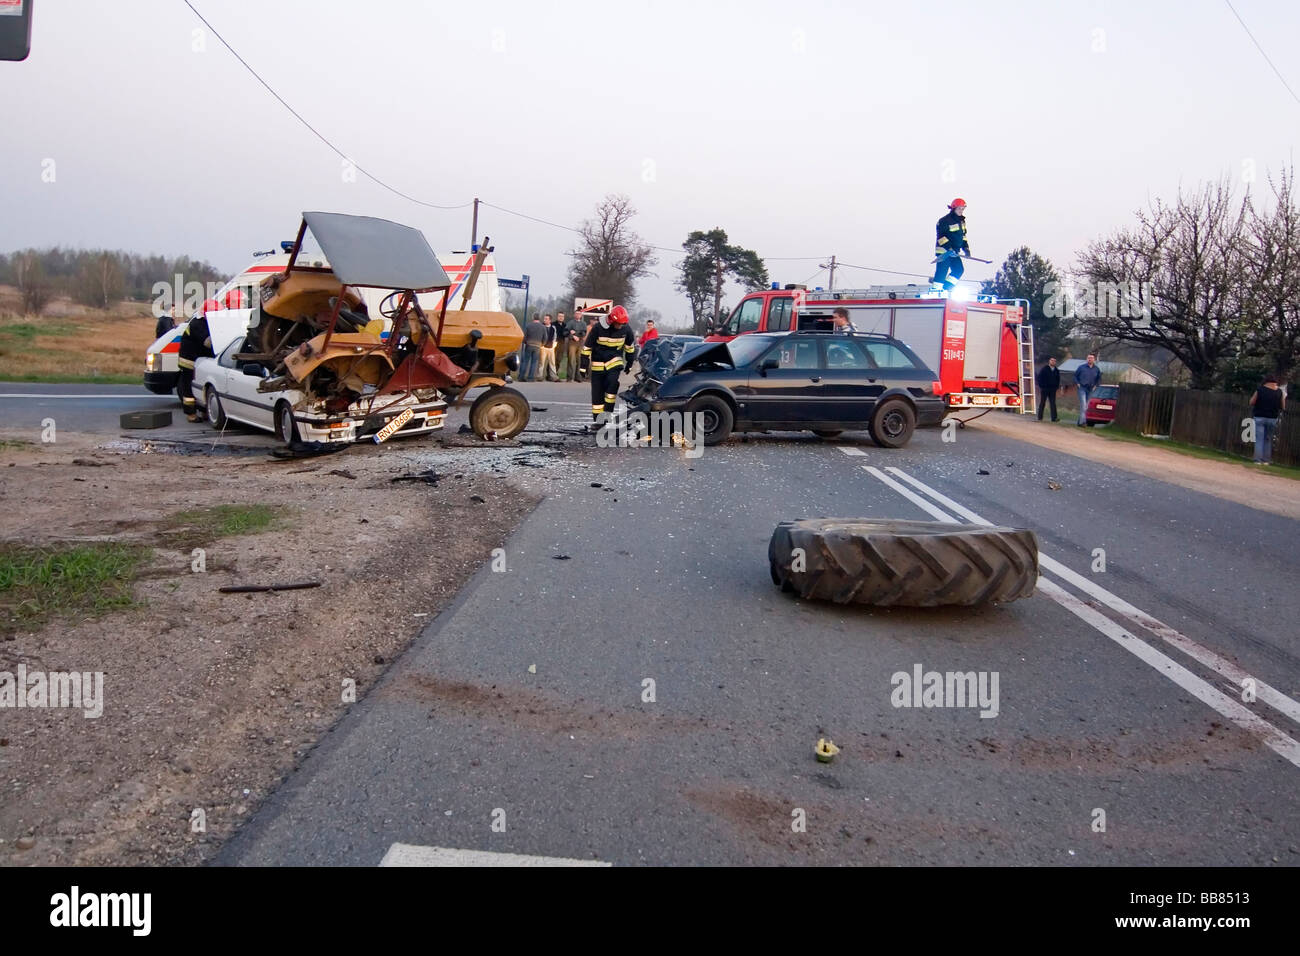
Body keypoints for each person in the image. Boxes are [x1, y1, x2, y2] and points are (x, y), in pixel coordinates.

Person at [579, 304, 636, 423]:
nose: (620, 326)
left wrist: (629, 363)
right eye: (618, 324)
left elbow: (629, 348)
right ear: (611, 321)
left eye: (622, 324)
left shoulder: (626, 329)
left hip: (615, 362)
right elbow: (587, 348)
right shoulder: (598, 328)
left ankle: (608, 413)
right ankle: (598, 421)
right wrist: (583, 366)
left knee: (612, 384)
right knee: (597, 394)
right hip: (598, 364)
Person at [177, 298, 218, 422]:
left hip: (199, 359)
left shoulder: (205, 321)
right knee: (188, 387)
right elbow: (208, 342)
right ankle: (191, 414)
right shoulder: (198, 324)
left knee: (202, 384)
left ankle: (204, 411)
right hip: (189, 360)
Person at [931, 198, 970, 292]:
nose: (961, 211)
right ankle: (935, 291)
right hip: (944, 252)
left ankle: (946, 288)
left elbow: (963, 237)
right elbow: (941, 237)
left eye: (962, 209)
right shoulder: (944, 221)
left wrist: (966, 249)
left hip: (954, 252)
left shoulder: (961, 222)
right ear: (953, 208)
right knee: (942, 272)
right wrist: (949, 248)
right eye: (959, 208)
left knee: (958, 270)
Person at [1249, 373, 1286, 464]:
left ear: (1265, 381)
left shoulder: (1260, 389)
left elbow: (1252, 402)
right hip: (1272, 418)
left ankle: (1257, 460)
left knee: (1259, 439)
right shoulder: (1279, 392)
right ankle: (1266, 460)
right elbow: (1283, 406)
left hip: (1260, 416)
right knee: (1268, 439)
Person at [1074, 353, 1102, 426]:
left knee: (1086, 406)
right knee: (1083, 405)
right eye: (1088, 358)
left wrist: (1096, 386)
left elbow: (1099, 379)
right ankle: (1083, 422)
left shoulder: (1096, 369)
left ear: (1094, 359)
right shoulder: (1081, 367)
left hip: (1091, 389)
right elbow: (1075, 376)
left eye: (1091, 358)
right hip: (1082, 388)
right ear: (1087, 359)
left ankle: (1079, 422)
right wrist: (1078, 383)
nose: (1090, 359)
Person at [520, 313, 545, 381]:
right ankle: (530, 378)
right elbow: (545, 337)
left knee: (525, 361)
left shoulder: (528, 325)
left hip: (529, 345)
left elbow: (524, 337)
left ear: (533, 317)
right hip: (537, 346)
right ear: (539, 318)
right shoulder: (543, 327)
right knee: (534, 362)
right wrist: (542, 344)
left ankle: (521, 376)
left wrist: (526, 342)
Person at [1036, 356, 1061, 421]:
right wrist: (1041, 386)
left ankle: (1054, 418)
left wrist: (1056, 387)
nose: (1053, 362)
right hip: (1045, 389)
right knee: (1042, 402)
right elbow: (1039, 378)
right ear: (1049, 361)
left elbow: (1058, 380)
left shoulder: (1056, 370)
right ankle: (1040, 417)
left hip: (1052, 389)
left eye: (1054, 361)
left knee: (1053, 403)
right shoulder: (1044, 369)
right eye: (1052, 360)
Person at [539, 314, 560, 382]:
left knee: (552, 363)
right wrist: (541, 345)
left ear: (550, 320)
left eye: (546, 319)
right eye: (544, 318)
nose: (545, 320)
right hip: (543, 347)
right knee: (541, 363)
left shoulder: (553, 328)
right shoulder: (542, 326)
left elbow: (555, 336)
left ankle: (554, 376)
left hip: (551, 348)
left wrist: (554, 345)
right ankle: (539, 376)